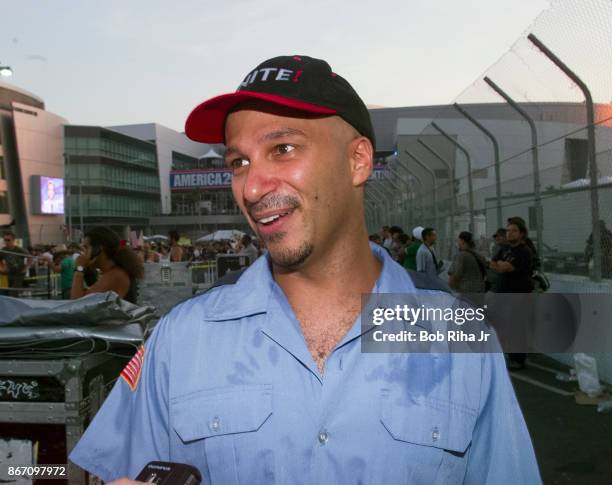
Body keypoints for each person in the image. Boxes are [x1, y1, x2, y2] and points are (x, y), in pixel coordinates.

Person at [70, 54, 541, 484]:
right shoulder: (181, 338)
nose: (252, 187)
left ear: (358, 160)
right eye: (239, 162)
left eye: (283, 149)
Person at [490, 219, 534, 370]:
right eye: (508, 230)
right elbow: (493, 264)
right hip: (504, 293)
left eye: (514, 230)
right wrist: (500, 265)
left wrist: (502, 266)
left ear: (521, 233)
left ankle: (518, 359)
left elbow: (506, 268)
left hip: (518, 294)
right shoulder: (506, 249)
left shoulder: (524, 251)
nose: (509, 233)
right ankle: (509, 354)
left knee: (517, 327)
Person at [70, 227, 144, 304]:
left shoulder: (116, 275)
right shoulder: (115, 272)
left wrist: (79, 269)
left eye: (86, 247)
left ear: (98, 249)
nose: (83, 252)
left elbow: (77, 305)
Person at [0, 231, 29, 296]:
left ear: (13, 240)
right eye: (5, 240)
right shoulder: (3, 250)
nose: (6, 242)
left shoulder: (20, 250)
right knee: (6, 292)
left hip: (19, 273)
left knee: (13, 293)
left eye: (8, 240)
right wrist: (3, 267)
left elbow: (30, 258)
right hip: (9, 273)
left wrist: (26, 268)